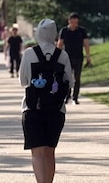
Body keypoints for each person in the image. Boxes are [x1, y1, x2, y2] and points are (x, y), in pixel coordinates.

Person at [19, 19, 74, 183]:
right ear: (54, 34)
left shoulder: (29, 54)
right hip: (56, 110)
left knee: (37, 153)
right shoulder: (62, 55)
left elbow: (23, 81)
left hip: (32, 108)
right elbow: (69, 82)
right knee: (50, 152)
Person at [57, 13, 91, 104]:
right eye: (72, 22)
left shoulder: (81, 31)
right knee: (67, 78)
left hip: (78, 57)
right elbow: (60, 43)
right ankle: (66, 96)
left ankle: (75, 97)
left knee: (77, 78)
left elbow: (86, 43)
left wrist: (88, 55)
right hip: (67, 57)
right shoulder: (64, 31)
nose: (74, 24)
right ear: (69, 21)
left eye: (76, 23)